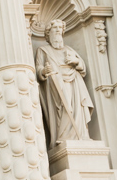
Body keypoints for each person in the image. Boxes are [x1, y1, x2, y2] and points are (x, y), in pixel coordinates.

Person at [35, 19, 94, 148]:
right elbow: (38, 69)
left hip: (74, 82)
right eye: (54, 28)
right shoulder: (43, 50)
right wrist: (44, 71)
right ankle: (63, 137)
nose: (57, 30)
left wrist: (75, 61)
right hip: (56, 82)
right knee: (64, 107)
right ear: (48, 33)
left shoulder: (69, 49)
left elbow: (82, 67)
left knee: (77, 107)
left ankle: (82, 135)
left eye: (59, 29)